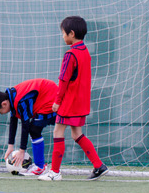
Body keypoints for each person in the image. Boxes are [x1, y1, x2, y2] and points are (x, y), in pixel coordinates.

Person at [38, 16, 109, 181]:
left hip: (69, 102)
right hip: (82, 102)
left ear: (71, 33)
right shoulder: (85, 52)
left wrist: (57, 101)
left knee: (58, 131)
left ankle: (55, 172)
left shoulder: (70, 55)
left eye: (63, 33)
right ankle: (99, 166)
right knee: (77, 134)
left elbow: (63, 81)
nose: (63, 36)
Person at [0, 78, 58, 176]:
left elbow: (25, 124)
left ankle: (40, 167)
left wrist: (22, 151)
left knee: (34, 129)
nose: (1, 114)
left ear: (4, 104)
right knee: (34, 129)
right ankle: (40, 166)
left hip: (51, 99)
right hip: (46, 97)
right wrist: (10, 146)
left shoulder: (21, 100)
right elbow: (13, 121)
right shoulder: (11, 97)